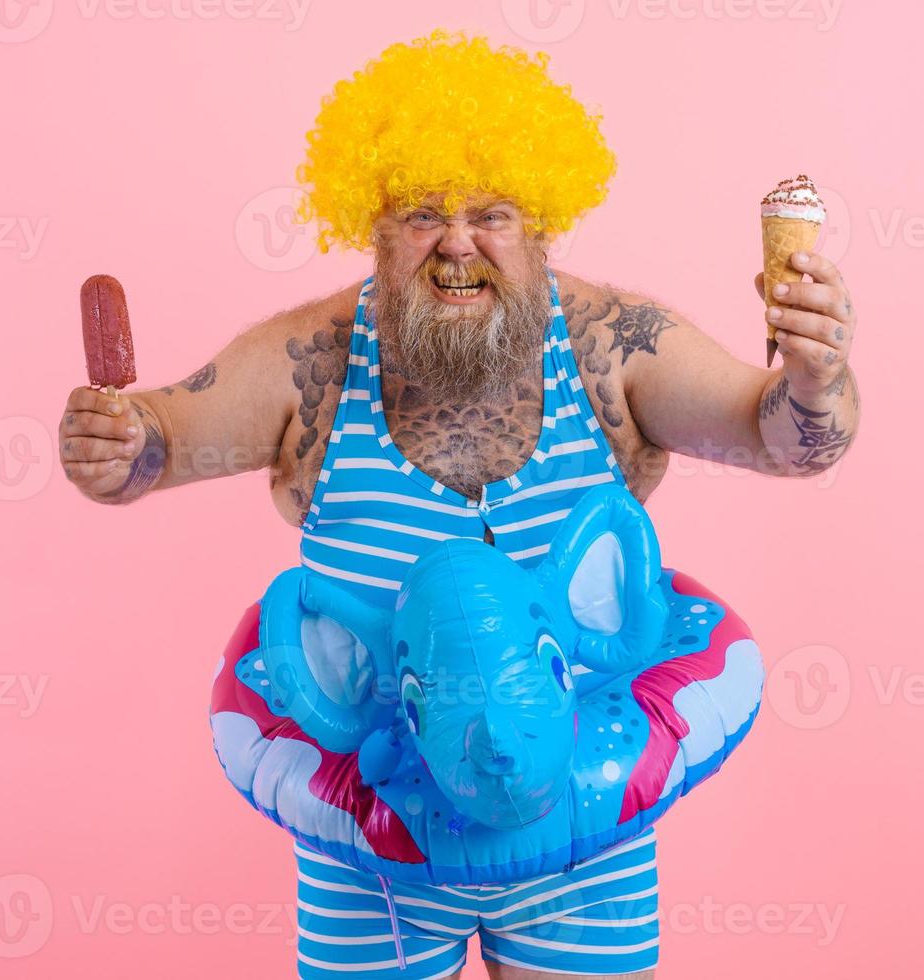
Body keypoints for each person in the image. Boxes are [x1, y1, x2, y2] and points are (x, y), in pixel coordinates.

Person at [57, 29, 860, 980]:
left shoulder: (614, 349)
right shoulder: (305, 361)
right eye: (418, 214)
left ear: (545, 220)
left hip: (586, 837)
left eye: (493, 213)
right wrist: (113, 448)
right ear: (368, 221)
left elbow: (780, 438)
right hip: (372, 856)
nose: (455, 244)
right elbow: (156, 442)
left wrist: (816, 386)